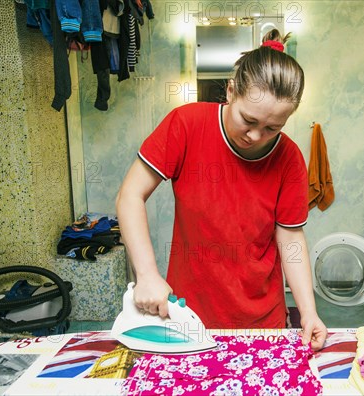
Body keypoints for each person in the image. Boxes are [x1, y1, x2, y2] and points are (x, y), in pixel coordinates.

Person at [115, 29, 328, 350]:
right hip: (189, 313)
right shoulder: (185, 124)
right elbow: (130, 195)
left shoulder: (290, 159)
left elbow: (291, 238)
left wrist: (309, 312)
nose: (256, 135)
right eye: (249, 119)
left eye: (272, 128)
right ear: (230, 91)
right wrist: (146, 274)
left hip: (262, 320)